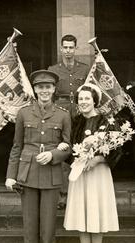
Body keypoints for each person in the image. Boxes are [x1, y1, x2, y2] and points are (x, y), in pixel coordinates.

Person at [5, 70, 71, 243]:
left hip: (51, 173)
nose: (44, 91)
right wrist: (10, 175)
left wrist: (53, 154)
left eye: (48, 87)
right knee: (30, 224)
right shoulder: (24, 113)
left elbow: (68, 147)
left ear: (54, 89)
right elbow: (17, 146)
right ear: (35, 89)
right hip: (28, 173)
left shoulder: (63, 114)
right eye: (40, 87)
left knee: (49, 225)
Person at [63, 83, 121, 243]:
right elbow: (68, 148)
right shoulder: (75, 122)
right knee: (83, 217)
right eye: (81, 99)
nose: (84, 102)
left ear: (94, 100)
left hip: (99, 175)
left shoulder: (106, 121)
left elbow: (117, 150)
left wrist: (97, 159)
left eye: (87, 98)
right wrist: (78, 159)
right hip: (80, 175)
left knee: (96, 217)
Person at [48, 34, 90, 210]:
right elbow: (50, 94)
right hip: (62, 113)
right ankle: (63, 195)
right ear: (61, 48)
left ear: (76, 49)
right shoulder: (53, 69)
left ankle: (79, 193)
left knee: (81, 151)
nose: (68, 50)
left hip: (80, 114)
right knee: (64, 152)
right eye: (65, 47)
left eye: (71, 47)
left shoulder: (85, 69)